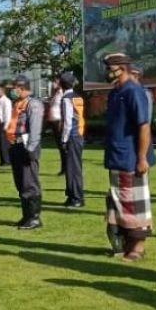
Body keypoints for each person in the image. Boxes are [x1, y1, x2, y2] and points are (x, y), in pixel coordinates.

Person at [102, 52, 156, 261]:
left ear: (121, 68)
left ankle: (138, 247)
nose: (107, 72)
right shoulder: (116, 92)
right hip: (116, 156)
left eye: (110, 68)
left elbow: (143, 126)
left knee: (135, 202)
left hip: (131, 157)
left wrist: (142, 157)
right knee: (120, 201)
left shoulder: (134, 91)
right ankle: (124, 243)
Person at [7, 75, 45, 229]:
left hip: (27, 147)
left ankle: (34, 218)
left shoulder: (33, 104)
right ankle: (26, 216)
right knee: (20, 183)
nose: (12, 91)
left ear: (21, 88)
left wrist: (30, 149)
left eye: (14, 88)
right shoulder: (18, 103)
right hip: (16, 145)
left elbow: (35, 129)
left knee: (29, 183)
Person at [59, 71, 86, 208]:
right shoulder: (78, 97)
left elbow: (68, 121)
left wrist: (63, 140)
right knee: (76, 167)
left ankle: (76, 197)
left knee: (71, 168)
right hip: (79, 135)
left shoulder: (66, 99)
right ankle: (74, 195)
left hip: (71, 136)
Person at [46, 78, 65, 175]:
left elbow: (62, 108)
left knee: (62, 146)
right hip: (53, 121)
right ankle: (63, 168)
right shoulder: (55, 94)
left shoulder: (62, 94)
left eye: (55, 82)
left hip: (58, 121)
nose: (53, 84)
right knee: (60, 146)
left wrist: (62, 121)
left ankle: (65, 168)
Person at [0, 82, 12, 167]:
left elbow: (7, 114)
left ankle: (6, 160)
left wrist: (6, 126)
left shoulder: (6, 101)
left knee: (4, 143)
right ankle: (2, 159)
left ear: (2, 90)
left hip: (3, 123)